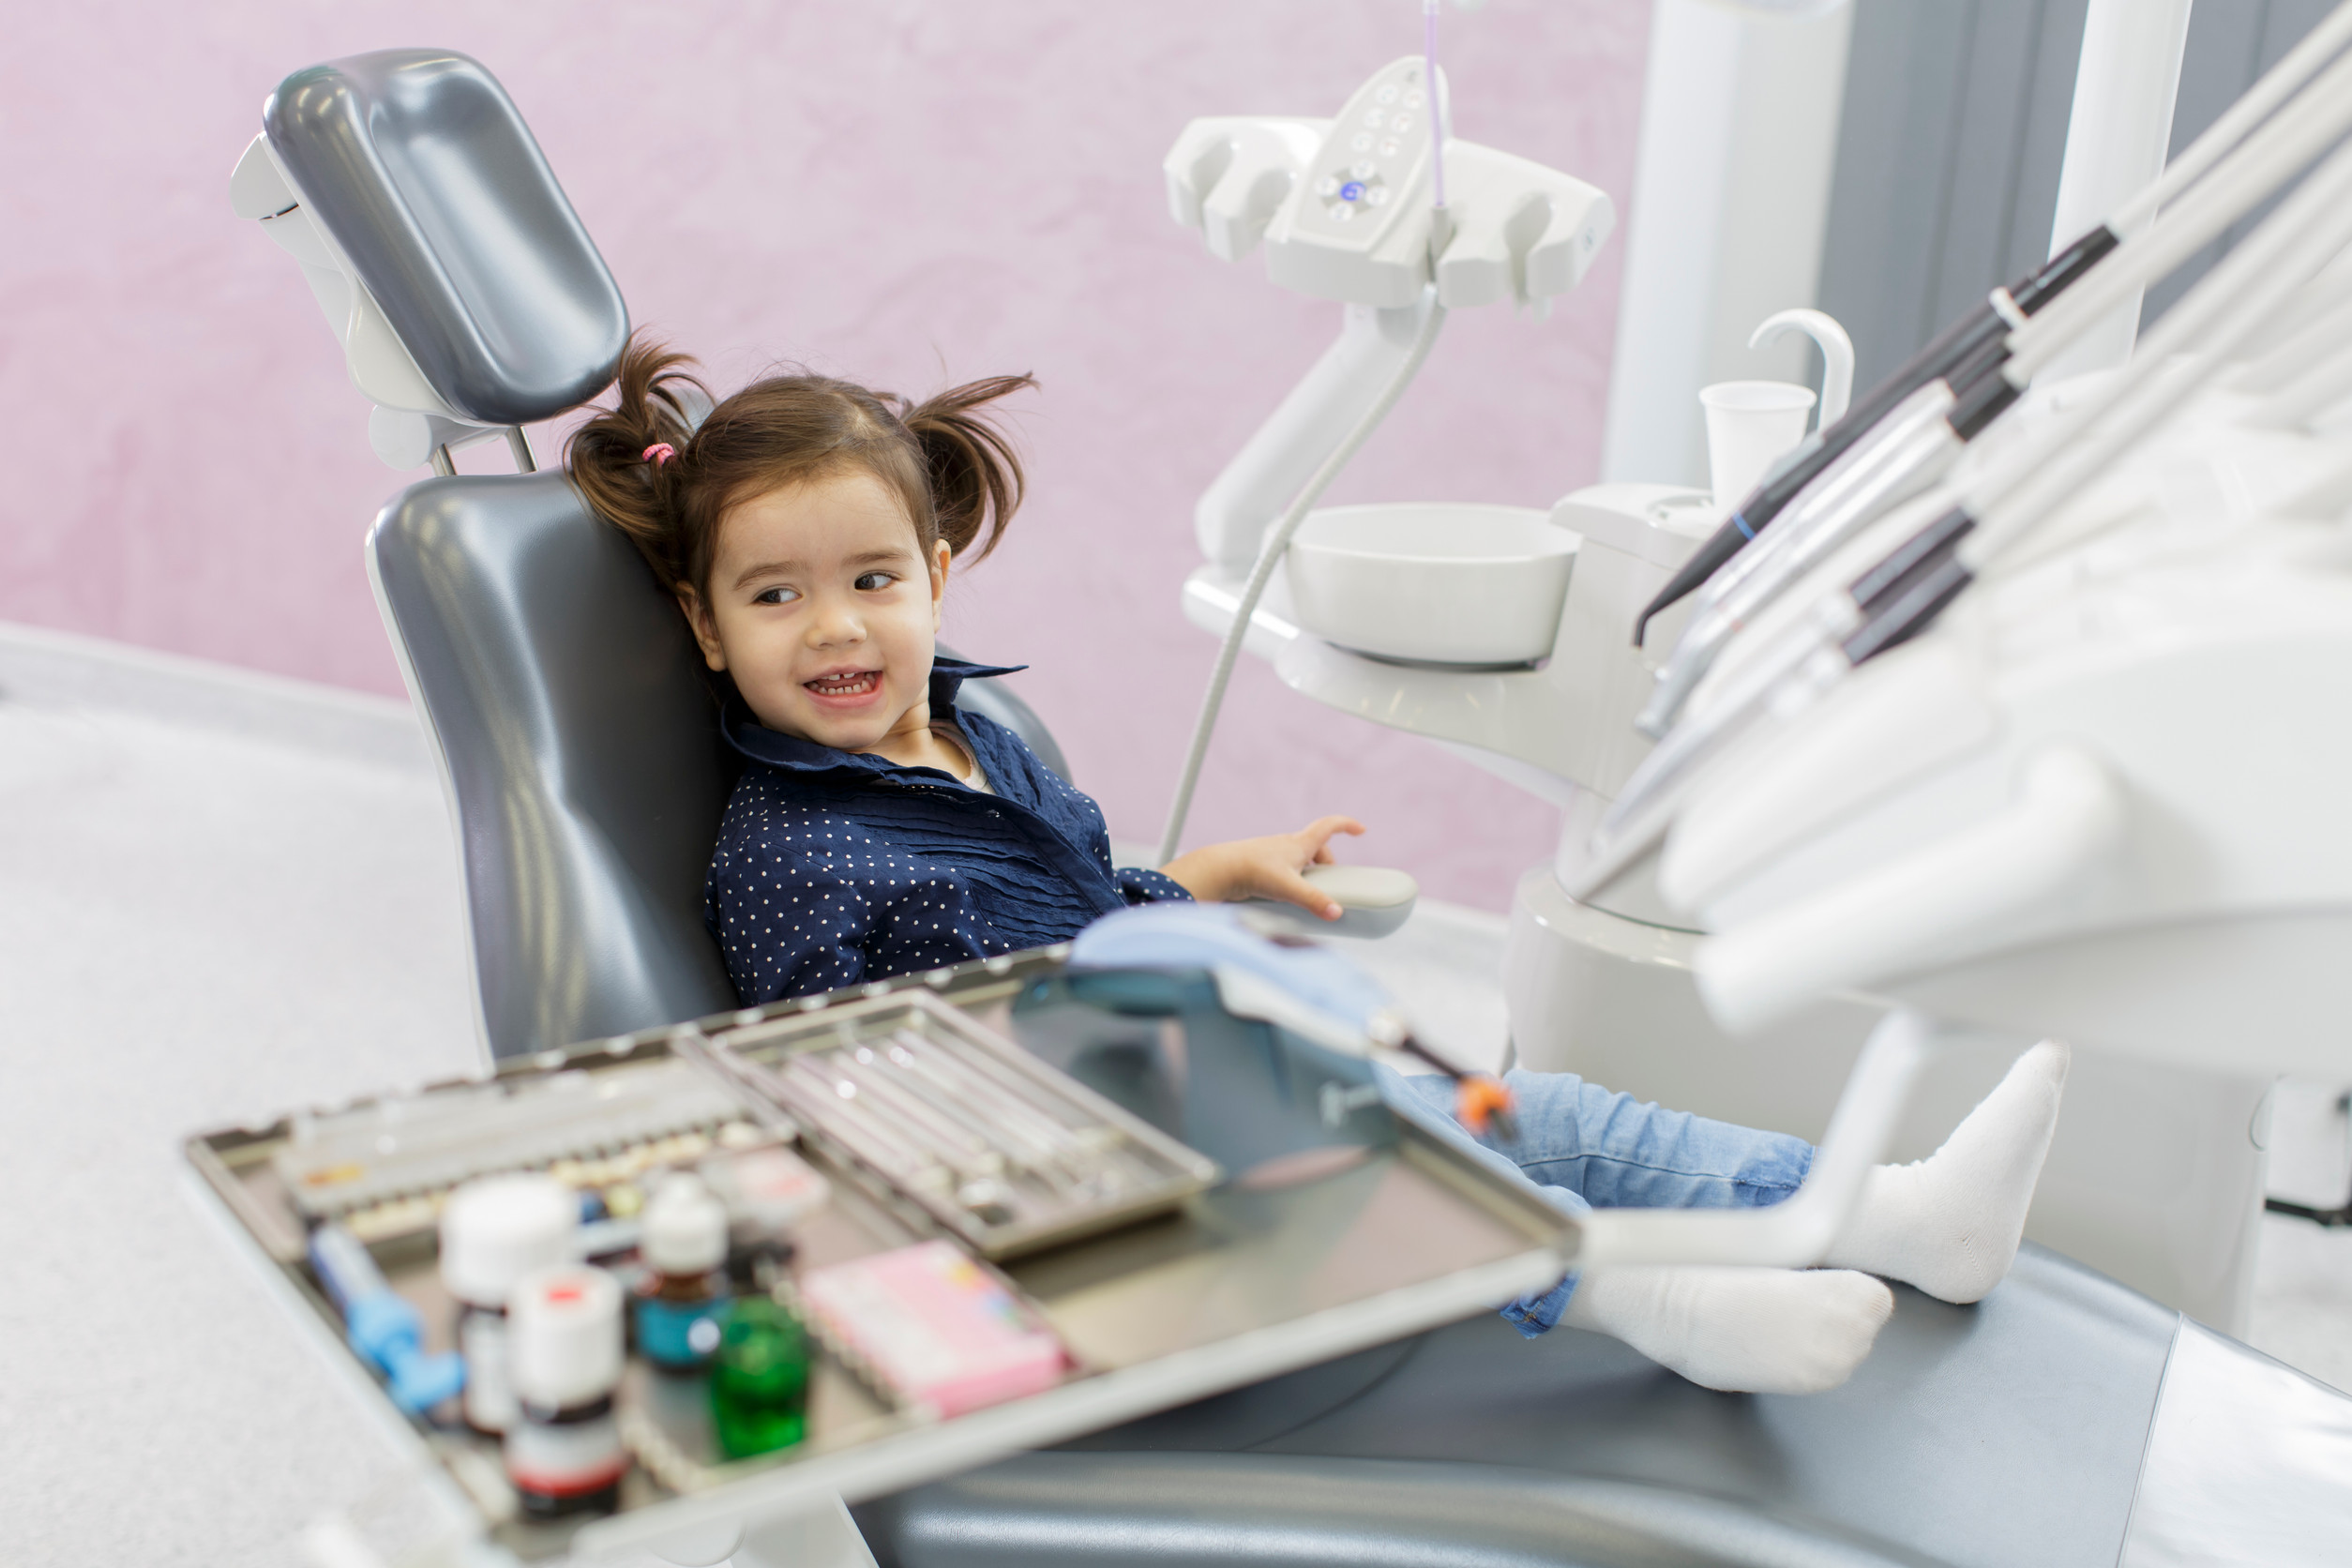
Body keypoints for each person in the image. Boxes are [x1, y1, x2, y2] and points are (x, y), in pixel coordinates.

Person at [565, 335, 2070, 1395]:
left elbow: (1092, 914)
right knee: (1383, 1142)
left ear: (936, 577)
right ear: (707, 626)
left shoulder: (978, 734)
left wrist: (1209, 878)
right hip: (1059, 1201)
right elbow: (833, 1094)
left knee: (1522, 1106)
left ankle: (1884, 1211)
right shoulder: (797, 856)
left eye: (871, 580)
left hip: (1163, 1078)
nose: (837, 626)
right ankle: (1640, 1296)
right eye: (777, 597)